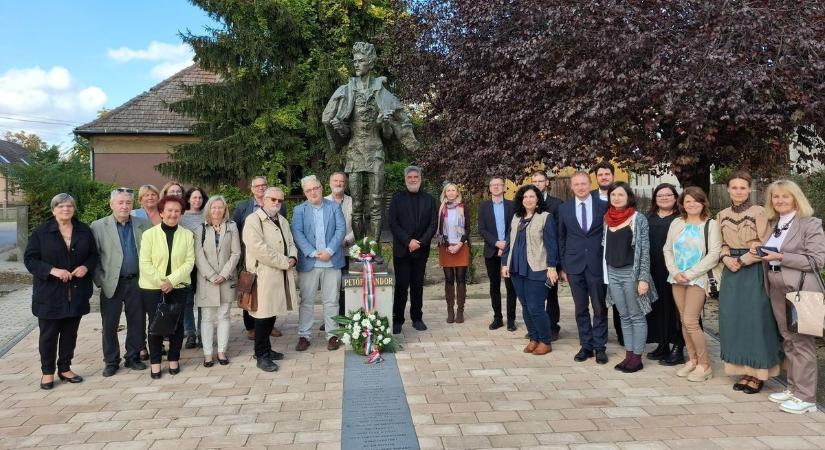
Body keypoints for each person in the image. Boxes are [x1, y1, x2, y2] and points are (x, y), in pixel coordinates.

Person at [323, 41, 421, 240]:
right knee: (357, 206)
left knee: (376, 203)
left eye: (361, 60)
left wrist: (383, 124)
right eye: (355, 61)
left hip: (375, 153)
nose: (356, 64)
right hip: (355, 152)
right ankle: (360, 249)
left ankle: (374, 249)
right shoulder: (346, 91)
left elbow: (390, 133)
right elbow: (340, 130)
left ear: (370, 63)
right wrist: (339, 127)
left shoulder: (383, 95)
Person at [757, 180, 825, 414]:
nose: (780, 201)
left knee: (803, 342)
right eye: (776, 197)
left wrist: (782, 256)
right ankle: (794, 388)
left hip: (803, 289)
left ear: (796, 198)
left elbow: (816, 260)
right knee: (788, 338)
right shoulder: (775, 223)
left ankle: (806, 398)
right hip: (776, 285)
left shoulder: (810, 224)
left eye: (786, 196)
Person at [25, 193, 98, 390]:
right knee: (48, 335)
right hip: (49, 294)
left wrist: (86, 267)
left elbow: (94, 254)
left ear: (74, 209)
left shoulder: (84, 230)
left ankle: (65, 368)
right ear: (53, 210)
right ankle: (47, 372)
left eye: (69, 206)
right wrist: (52, 270)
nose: (65, 209)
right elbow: (30, 260)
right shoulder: (41, 232)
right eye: (61, 206)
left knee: (69, 333)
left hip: (76, 292)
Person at [717, 172, 782, 394]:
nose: (738, 191)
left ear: (749, 189)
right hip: (731, 271)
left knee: (756, 320)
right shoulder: (722, 214)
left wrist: (742, 260)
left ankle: (759, 374)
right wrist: (726, 258)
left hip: (753, 269)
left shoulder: (760, 212)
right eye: (734, 187)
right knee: (734, 320)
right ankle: (744, 370)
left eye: (742, 188)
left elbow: (766, 243)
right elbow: (721, 242)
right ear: (728, 189)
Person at [90, 188, 151, 377]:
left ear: (133, 205)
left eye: (128, 203)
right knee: (110, 324)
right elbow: (93, 256)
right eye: (120, 202)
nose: (124, 206)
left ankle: (133, 357)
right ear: (111, 204)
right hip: (111, 283)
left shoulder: (144, 224)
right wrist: (100, 280)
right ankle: (111, 361)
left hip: (137, 281)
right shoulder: (98, 226)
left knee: (137, 322)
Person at [663, 187, 721, 383]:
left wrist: (689, 274)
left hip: (698, 278)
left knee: (691, 321)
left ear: (703, 202)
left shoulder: (711, 225)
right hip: (677, 278)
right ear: (682, 204)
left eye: (696, 200)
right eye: (687, 201)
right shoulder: (676, 223)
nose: (692, 204)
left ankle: (705, 365)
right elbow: (667, 250)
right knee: (683, 320)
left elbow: (714, 255)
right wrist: (675, 272)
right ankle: (693, 360)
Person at [242, 187, 299, 372]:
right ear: (264, 200)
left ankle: (267, 349)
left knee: (272, 313)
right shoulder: (253, 220)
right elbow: (259, 249)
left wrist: (293, 257)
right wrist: (284, 262)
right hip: (263, 275)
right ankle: (261, 355)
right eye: (273, 199)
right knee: (262, 316)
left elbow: (290, 242)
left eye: (280, 200)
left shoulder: (282, 220)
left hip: (280, 274)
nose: (276, 203)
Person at [138, 195, 195, 379]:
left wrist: (171, 281)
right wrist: (162, 282)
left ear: (181, 214)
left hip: (178, 286)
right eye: (169, 210)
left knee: (177, 325)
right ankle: (155, 362)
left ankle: (173, 359)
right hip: (152, 288)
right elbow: (145, 263)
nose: (173, 214)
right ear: (161, 212)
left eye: (177, 211)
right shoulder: (149, 235)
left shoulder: (187, 235)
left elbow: (189, 262)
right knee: (156, 325)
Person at [602, 182, 657, 373]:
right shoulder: (607, 218)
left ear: (628, 197)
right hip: (613, 273)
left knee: (636, 316)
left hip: (631, 274)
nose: (616, 198)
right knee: (623, 316)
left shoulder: (637, 218)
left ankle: (637, 358)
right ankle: (628, 355)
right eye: (613, 195)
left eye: (621, 195)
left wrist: (643, 279)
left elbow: (645, 251)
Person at [558, 171, 609, 364]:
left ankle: (600, 347)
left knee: (599, 307)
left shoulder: (603, 206)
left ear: (590, 184)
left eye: (584, 183)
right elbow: (561, 238)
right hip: (574, 265)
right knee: (581, 308)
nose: (580, 187)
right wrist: (563, 266)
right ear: (572, 187)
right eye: (576, 184)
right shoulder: (565, 209)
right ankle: (586, 345)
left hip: (596, 264)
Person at [502, 185, 559, 355]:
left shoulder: (545, 217)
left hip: (537, 268)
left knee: (536, 307)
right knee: (525, 306)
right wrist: (505, 263)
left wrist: (552, 267)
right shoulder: (516, 217)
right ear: (521, 200)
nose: (528, 200)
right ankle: (534, 338)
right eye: (525, 197)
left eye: (532, 196)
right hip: (517, 269)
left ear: (537, 199)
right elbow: (508, 242)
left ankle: (546, 341)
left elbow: (551, 244)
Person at [292, 175, 346, 351]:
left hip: (332, 261)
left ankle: (332, 335)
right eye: (308, 190)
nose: (312, 192)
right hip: (310, 262)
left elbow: (341, 229)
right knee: (306, 301)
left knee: (331, 301)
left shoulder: (334, 207)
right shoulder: (299, 210)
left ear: (321, 188)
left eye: (315, 188)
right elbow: (297, 234)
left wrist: (329, 251)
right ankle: (304, 336)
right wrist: (313, 253)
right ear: (305, 193)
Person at [233, 176, 286, 340]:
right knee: (250, 292)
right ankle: (251, 327)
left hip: (274, 260)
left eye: (264, 185)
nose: (261, 188)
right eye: (257, 186)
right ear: (252, 189)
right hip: (250, 257)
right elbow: (237, 231)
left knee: (269, 297)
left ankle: (269, 326)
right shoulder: (243, 208)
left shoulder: (279, 209)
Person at [388, 166, 438, 334]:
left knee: (418, 286)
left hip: (421, 250)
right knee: (401, 286)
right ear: (405, 179)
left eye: (416, 177)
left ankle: (417, 318)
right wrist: (408, 241)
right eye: (410, 177)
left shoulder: (430, 200)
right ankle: (397, 319)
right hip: (402, 250)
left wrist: (421, 242)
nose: (413, 179)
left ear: (420, 178)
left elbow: (433, 224)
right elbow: (393, 223)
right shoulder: (397, 199)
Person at [194, 195, 240, 367]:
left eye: (220, 207)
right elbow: (198, 256)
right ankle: (207, 354)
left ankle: (221, 351)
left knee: (224, 315)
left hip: (226, 279)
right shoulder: (201, 229)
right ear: (208, 209)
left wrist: (224, 274)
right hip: (207, 281)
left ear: (225, 209)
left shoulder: (232, 227)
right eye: (214, 207)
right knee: (207, 317)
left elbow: (236, 253)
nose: (217, 210)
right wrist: (212, 276)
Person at [645, 183, 686, 366]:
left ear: (675, 197)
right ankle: (662, 344)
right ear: (655, 199)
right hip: (654, 272)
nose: (664, 198)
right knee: (659, 309)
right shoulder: (648, 218)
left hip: (675, 272)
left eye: (668, 195)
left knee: (677, 310)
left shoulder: (682, 219)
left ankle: (679, 347)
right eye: (660, 195)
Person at [478, 176, 517, 331]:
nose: (496, 187)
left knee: (510, 286)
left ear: (503, 187)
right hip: (491, 251)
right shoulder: (483, 206)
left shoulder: (512, 205)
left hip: (509, 251)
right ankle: (498, 318)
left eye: (499, 185)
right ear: (489, 188)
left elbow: (514, 227)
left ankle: (511, 319)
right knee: (494, 285)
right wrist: (496, 243)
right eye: (493, 185)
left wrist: (505, 244)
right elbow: (482, 229)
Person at [531, 170, 563, 340]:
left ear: (547, 183)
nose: (537, 184)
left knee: (551, 294)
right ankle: (536, 327)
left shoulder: (557, 204)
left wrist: (557, 262)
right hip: (532, 257)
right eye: (534, 181)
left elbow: (560, 233)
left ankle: (552, 327)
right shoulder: (526, 203)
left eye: (540, 181)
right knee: (534, 294)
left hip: (551, 256)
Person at [437, 183, 471, 324]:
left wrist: (459, 244)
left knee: (461, 278)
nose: (451, 193)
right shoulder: (441, 209)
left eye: (453, 190)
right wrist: (447, 245)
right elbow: (438, 229)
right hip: (446, 247)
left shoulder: (463, 208)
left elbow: (467, 228)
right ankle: (450, 311)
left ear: (457, 193)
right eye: (448, 190)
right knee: (449, 279)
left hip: (461, 246)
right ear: (445, 193)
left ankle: (460, 311)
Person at [325, 172, 355, 323]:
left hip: (347, 250)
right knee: (330, 288)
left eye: (341, 181)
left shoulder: (352, 202)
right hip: (328, 253)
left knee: (346, 286)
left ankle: (344, 318)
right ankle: (330, 320)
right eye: (335, 181)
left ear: (346, 184)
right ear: (330, 183)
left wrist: (347, 240)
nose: (338, 184)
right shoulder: (322, 201)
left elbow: (358, 225)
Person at [181, 186, 208, 349]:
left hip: (204, 264)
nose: (197, 200)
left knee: (203, 301)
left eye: (200, 198)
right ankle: (190, 333)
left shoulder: (208, 216)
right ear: (188, 199)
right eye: (194, 197)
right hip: (187, 265)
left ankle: (201, 332)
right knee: (187, 301)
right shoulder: (182, 218)